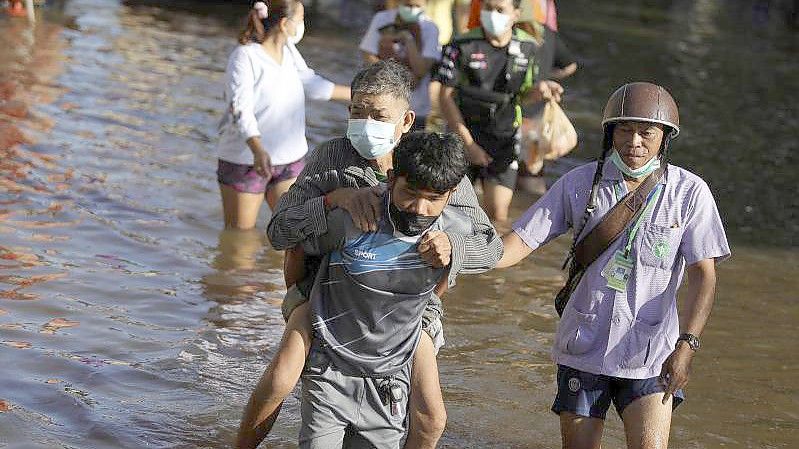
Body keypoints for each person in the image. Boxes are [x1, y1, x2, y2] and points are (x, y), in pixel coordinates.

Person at [235, 60, 501, 449]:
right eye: (357, 112)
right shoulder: (334, 157)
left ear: (407, 120)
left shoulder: (433, 163)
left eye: (379, 116)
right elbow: (279, 231)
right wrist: (331, 199)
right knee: (280, 377)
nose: (366, 123)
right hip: (328, 287)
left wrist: (454, 246)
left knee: (431, 416)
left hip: (411, 301)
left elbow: (490, 244)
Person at [498, 82, 731, 449]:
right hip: (583, 348)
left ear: (664, 138)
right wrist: (461, 253)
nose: (634, 142)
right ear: (610, 133)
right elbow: (518, 243)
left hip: (652, 353)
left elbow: (704, 275)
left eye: (646, 133)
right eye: (624, 130)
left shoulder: (690, 193)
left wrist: (686, 346)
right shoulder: (579, 184)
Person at [297, 131, 470, 448]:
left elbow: (443, 284)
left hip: (390, 384)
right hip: (330, 372)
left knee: (432, 420)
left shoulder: (453, 234)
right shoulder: (356, 218)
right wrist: (300, 303)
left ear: (452, 194)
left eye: (434, 199)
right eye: (410, 194)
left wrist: (455, 248)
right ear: (391, 179)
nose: (419, 208)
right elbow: (296, 246)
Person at [216, 0, 350, 230]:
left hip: (289, 159)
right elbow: (240, 108)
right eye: (300, 19)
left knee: (295, 232)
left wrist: (361, 94)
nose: (302, 25)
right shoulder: (245, 56)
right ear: (285, 24)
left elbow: (312, 84)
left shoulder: (289, 51)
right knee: (240, 238)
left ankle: (272, 268)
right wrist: (257, 150)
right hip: (247, 159)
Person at [435, 0, 563, 222]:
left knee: (497, 216)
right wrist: (469, 145)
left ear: (515, 14)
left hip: (504, 138)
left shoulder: (528, 47)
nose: (492, 15)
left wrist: (542, 90)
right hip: (463, 135)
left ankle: (486, 255)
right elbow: (444, 97)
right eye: (488, 8)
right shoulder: (461, 44)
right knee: (446, 210)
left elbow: (523, 96)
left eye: (500, 10)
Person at [360, 0, 440, 131]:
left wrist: (408, 40)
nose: (412, 10)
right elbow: (368, 55)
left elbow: (421, 69)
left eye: (417, 6)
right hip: (380, 103)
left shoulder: (430, 28)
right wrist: (392, 83)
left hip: (415, 108)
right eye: (408, 5)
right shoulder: (382, 19)